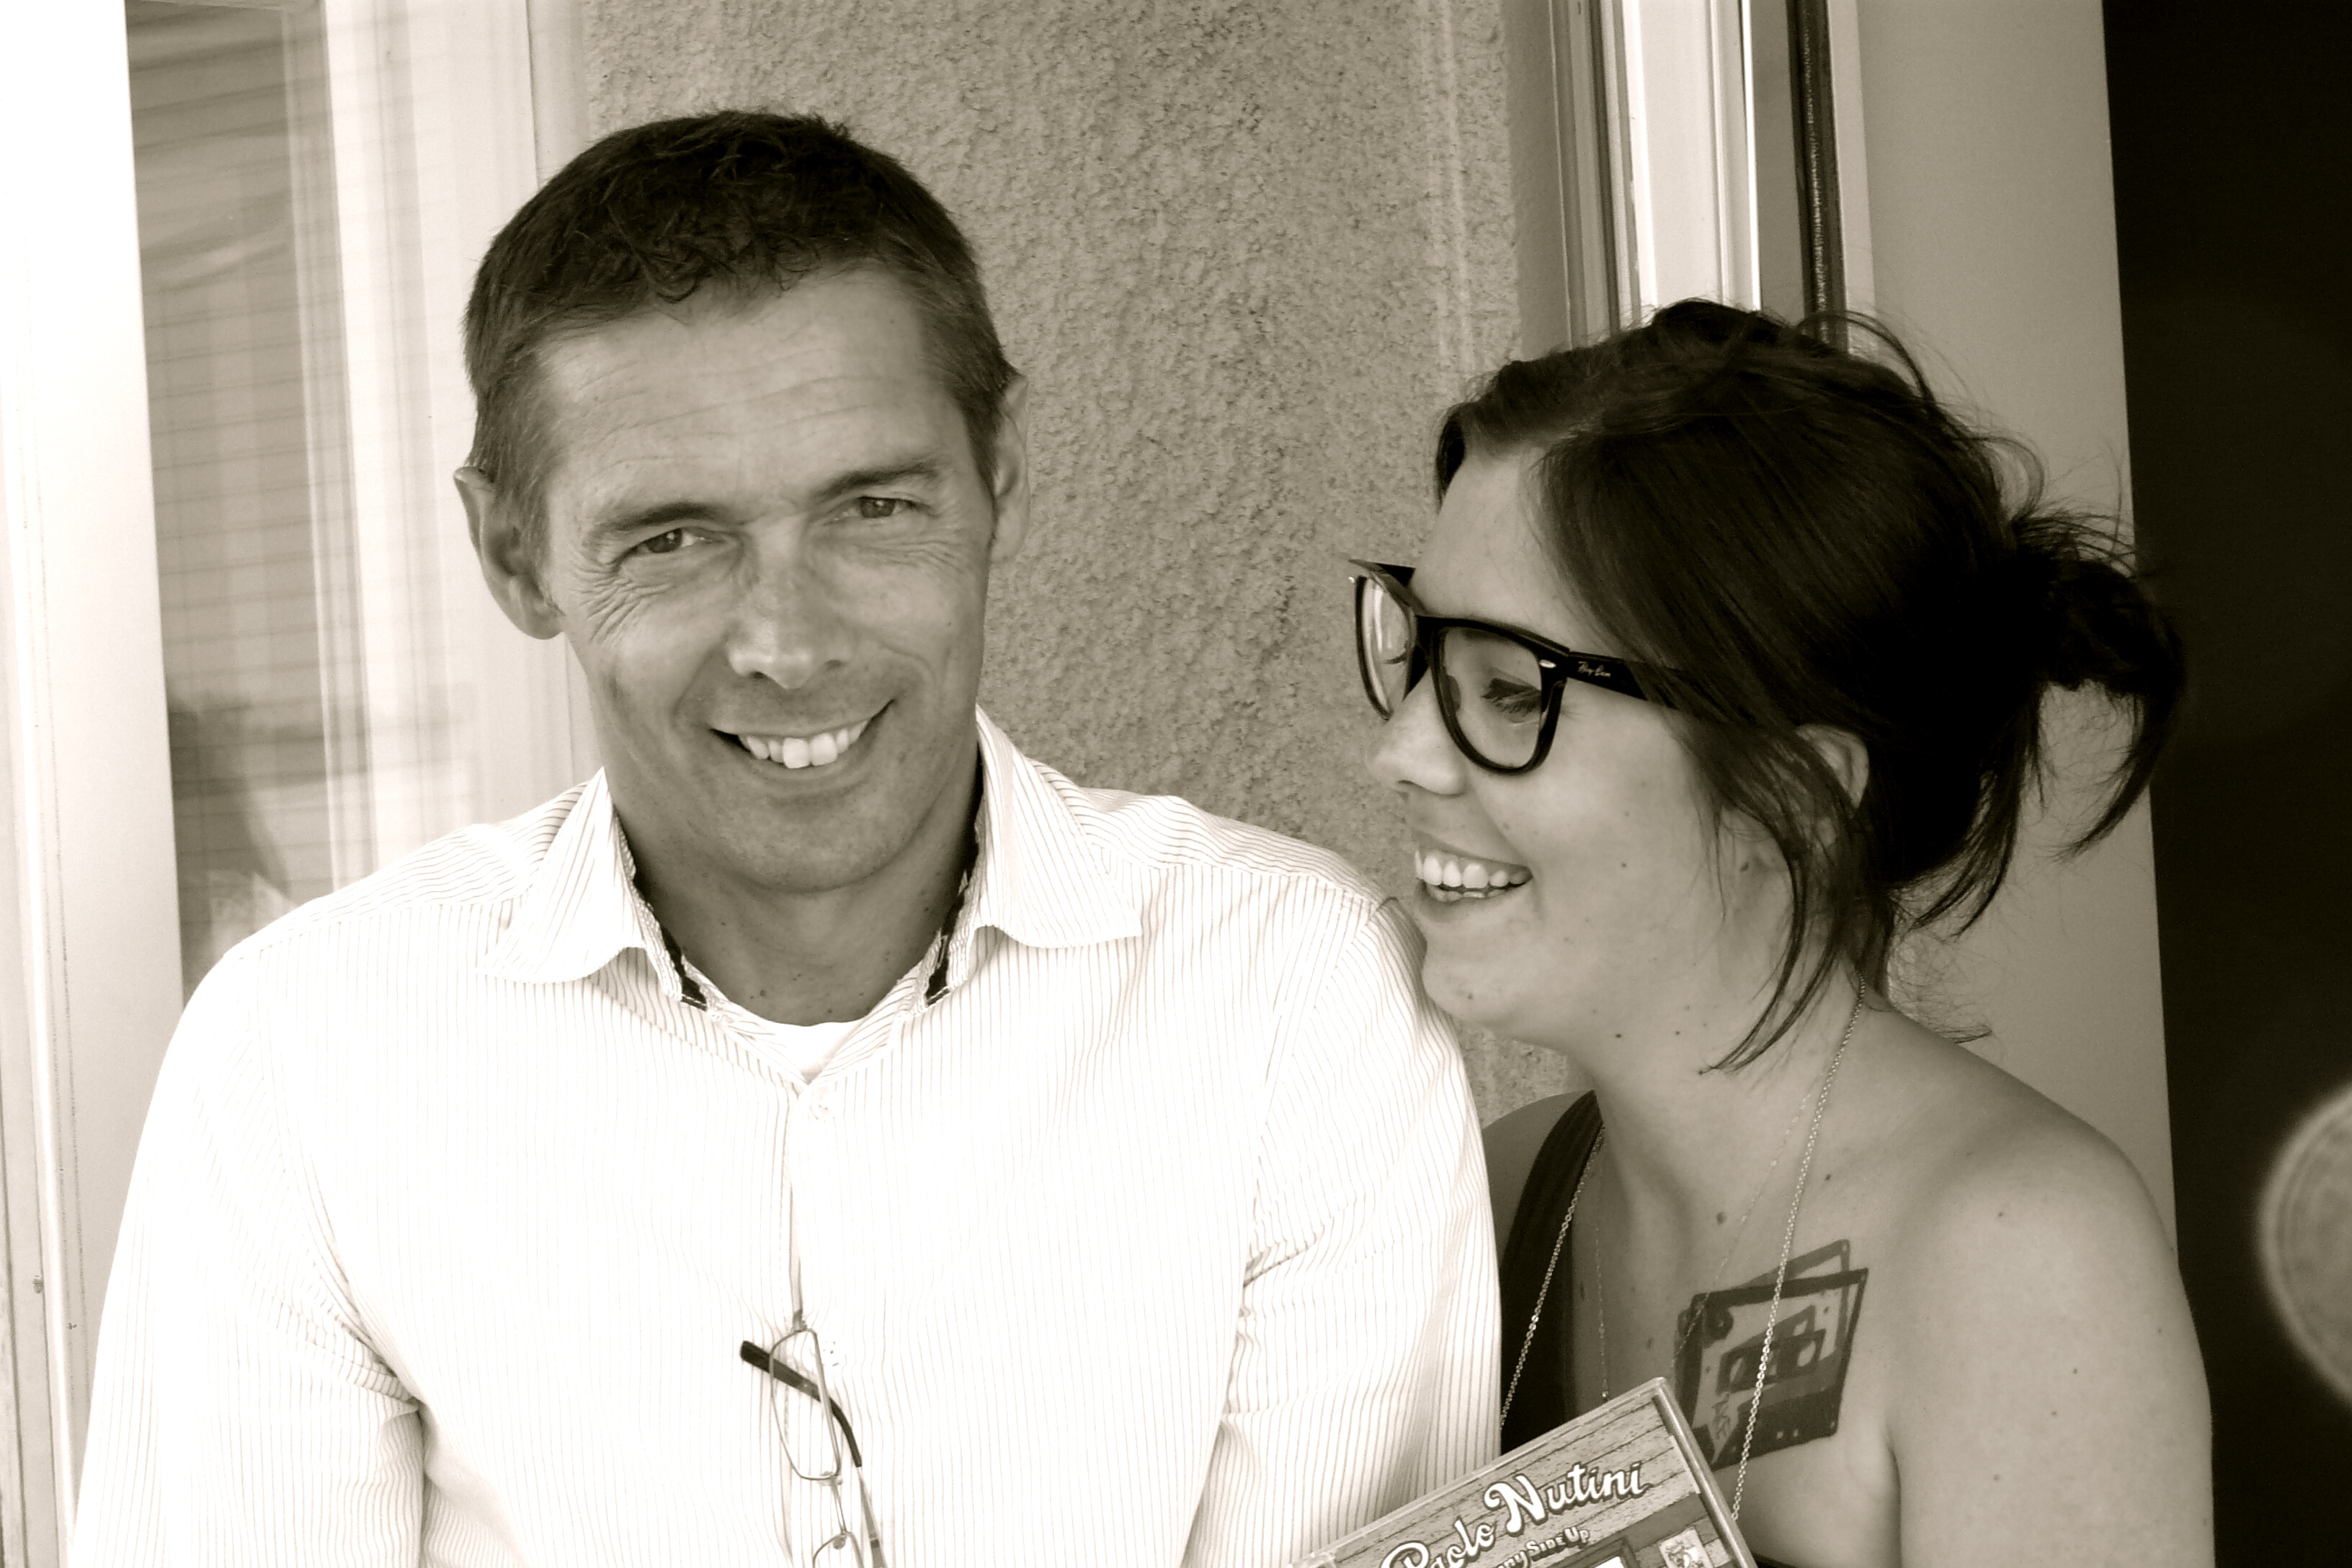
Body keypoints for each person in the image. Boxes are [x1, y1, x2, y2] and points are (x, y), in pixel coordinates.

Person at [74, 111, 1497, 1567]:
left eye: (872, 507)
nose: (788, 641)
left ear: (1002, 474)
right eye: (672, 539)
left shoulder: (1293, 993)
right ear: (514, 552)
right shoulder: (310, 1055)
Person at [1351, 301, 2210, 1568]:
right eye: (1419, 656)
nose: (1402, 752)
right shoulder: (1496, 1195)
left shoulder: (2019, 1258)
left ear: (1789, 796)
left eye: (1511, 691)